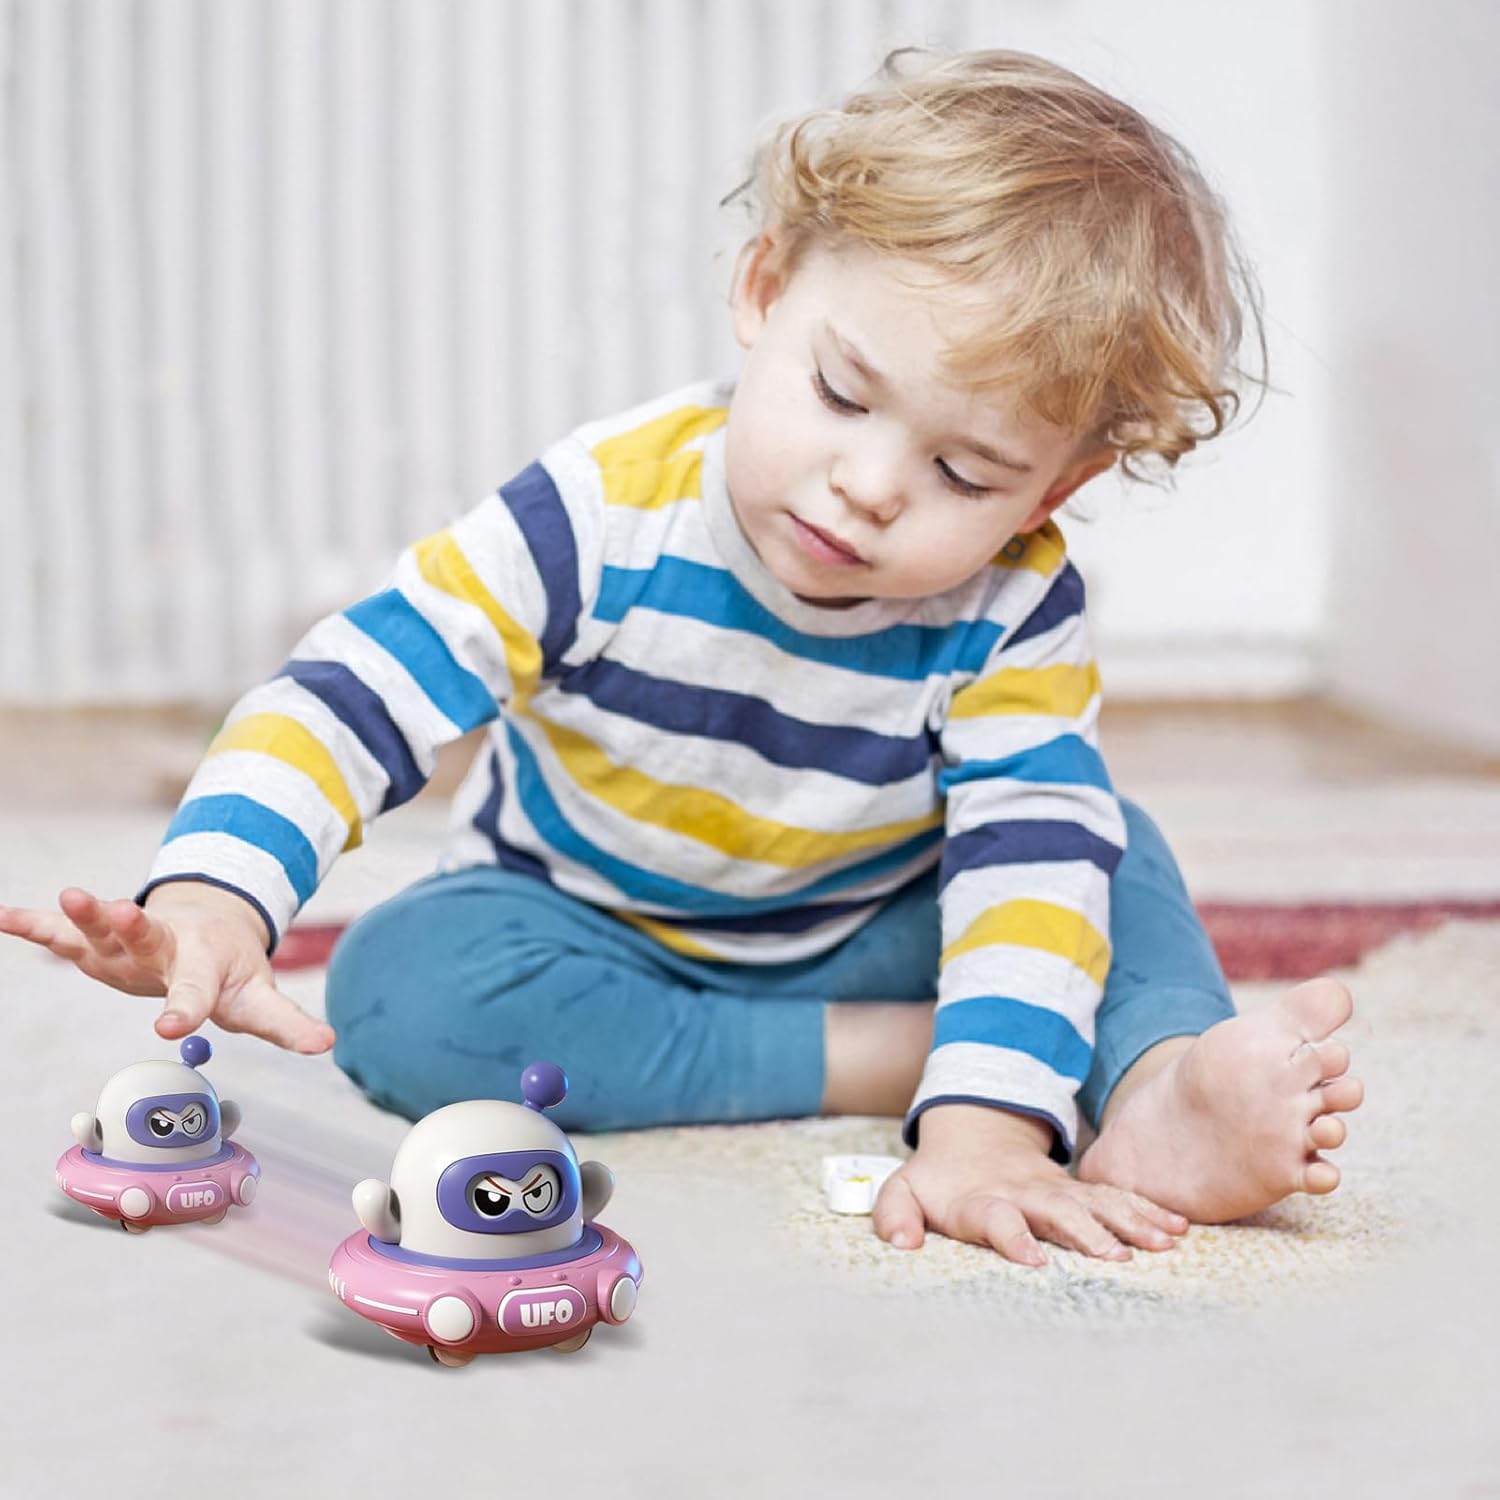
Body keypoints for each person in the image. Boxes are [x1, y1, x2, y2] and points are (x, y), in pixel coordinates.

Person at [0, 50, 1361, 1266]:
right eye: (841, 394)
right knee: (399, 995)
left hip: (878, 923)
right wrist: (217, 897)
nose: (869, 486)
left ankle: (1156, 1086)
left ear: (1053, 489)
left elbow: (1026, 860)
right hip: (588, 927)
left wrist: (987, 1139)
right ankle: (925, 1058)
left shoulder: (1014, 602)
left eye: (963, 471)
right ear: (763, 289)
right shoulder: (599, 513)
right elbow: (353, 696)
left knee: (1101, 852)